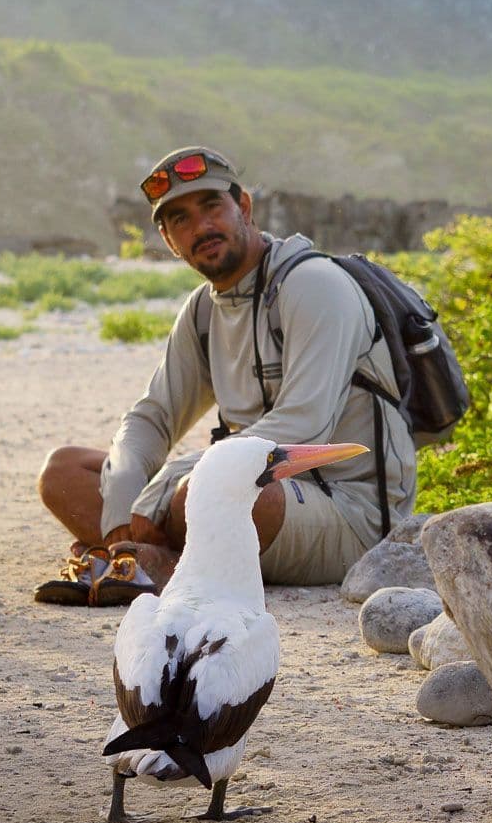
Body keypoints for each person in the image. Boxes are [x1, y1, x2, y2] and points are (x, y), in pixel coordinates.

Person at [35, 147, 416, 600]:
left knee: (198, 492)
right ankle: (139, 556)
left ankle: (146, 567)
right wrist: (123, 500)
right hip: (244, 494)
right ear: (169, 241)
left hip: (347, 510)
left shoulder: (315, 285)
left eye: (211, 206)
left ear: (245, 208)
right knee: (64, 472)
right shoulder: (201, 312)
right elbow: (152, 418)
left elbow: (304, 426)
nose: (201, 227)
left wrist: (167, 483)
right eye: (179, 220)